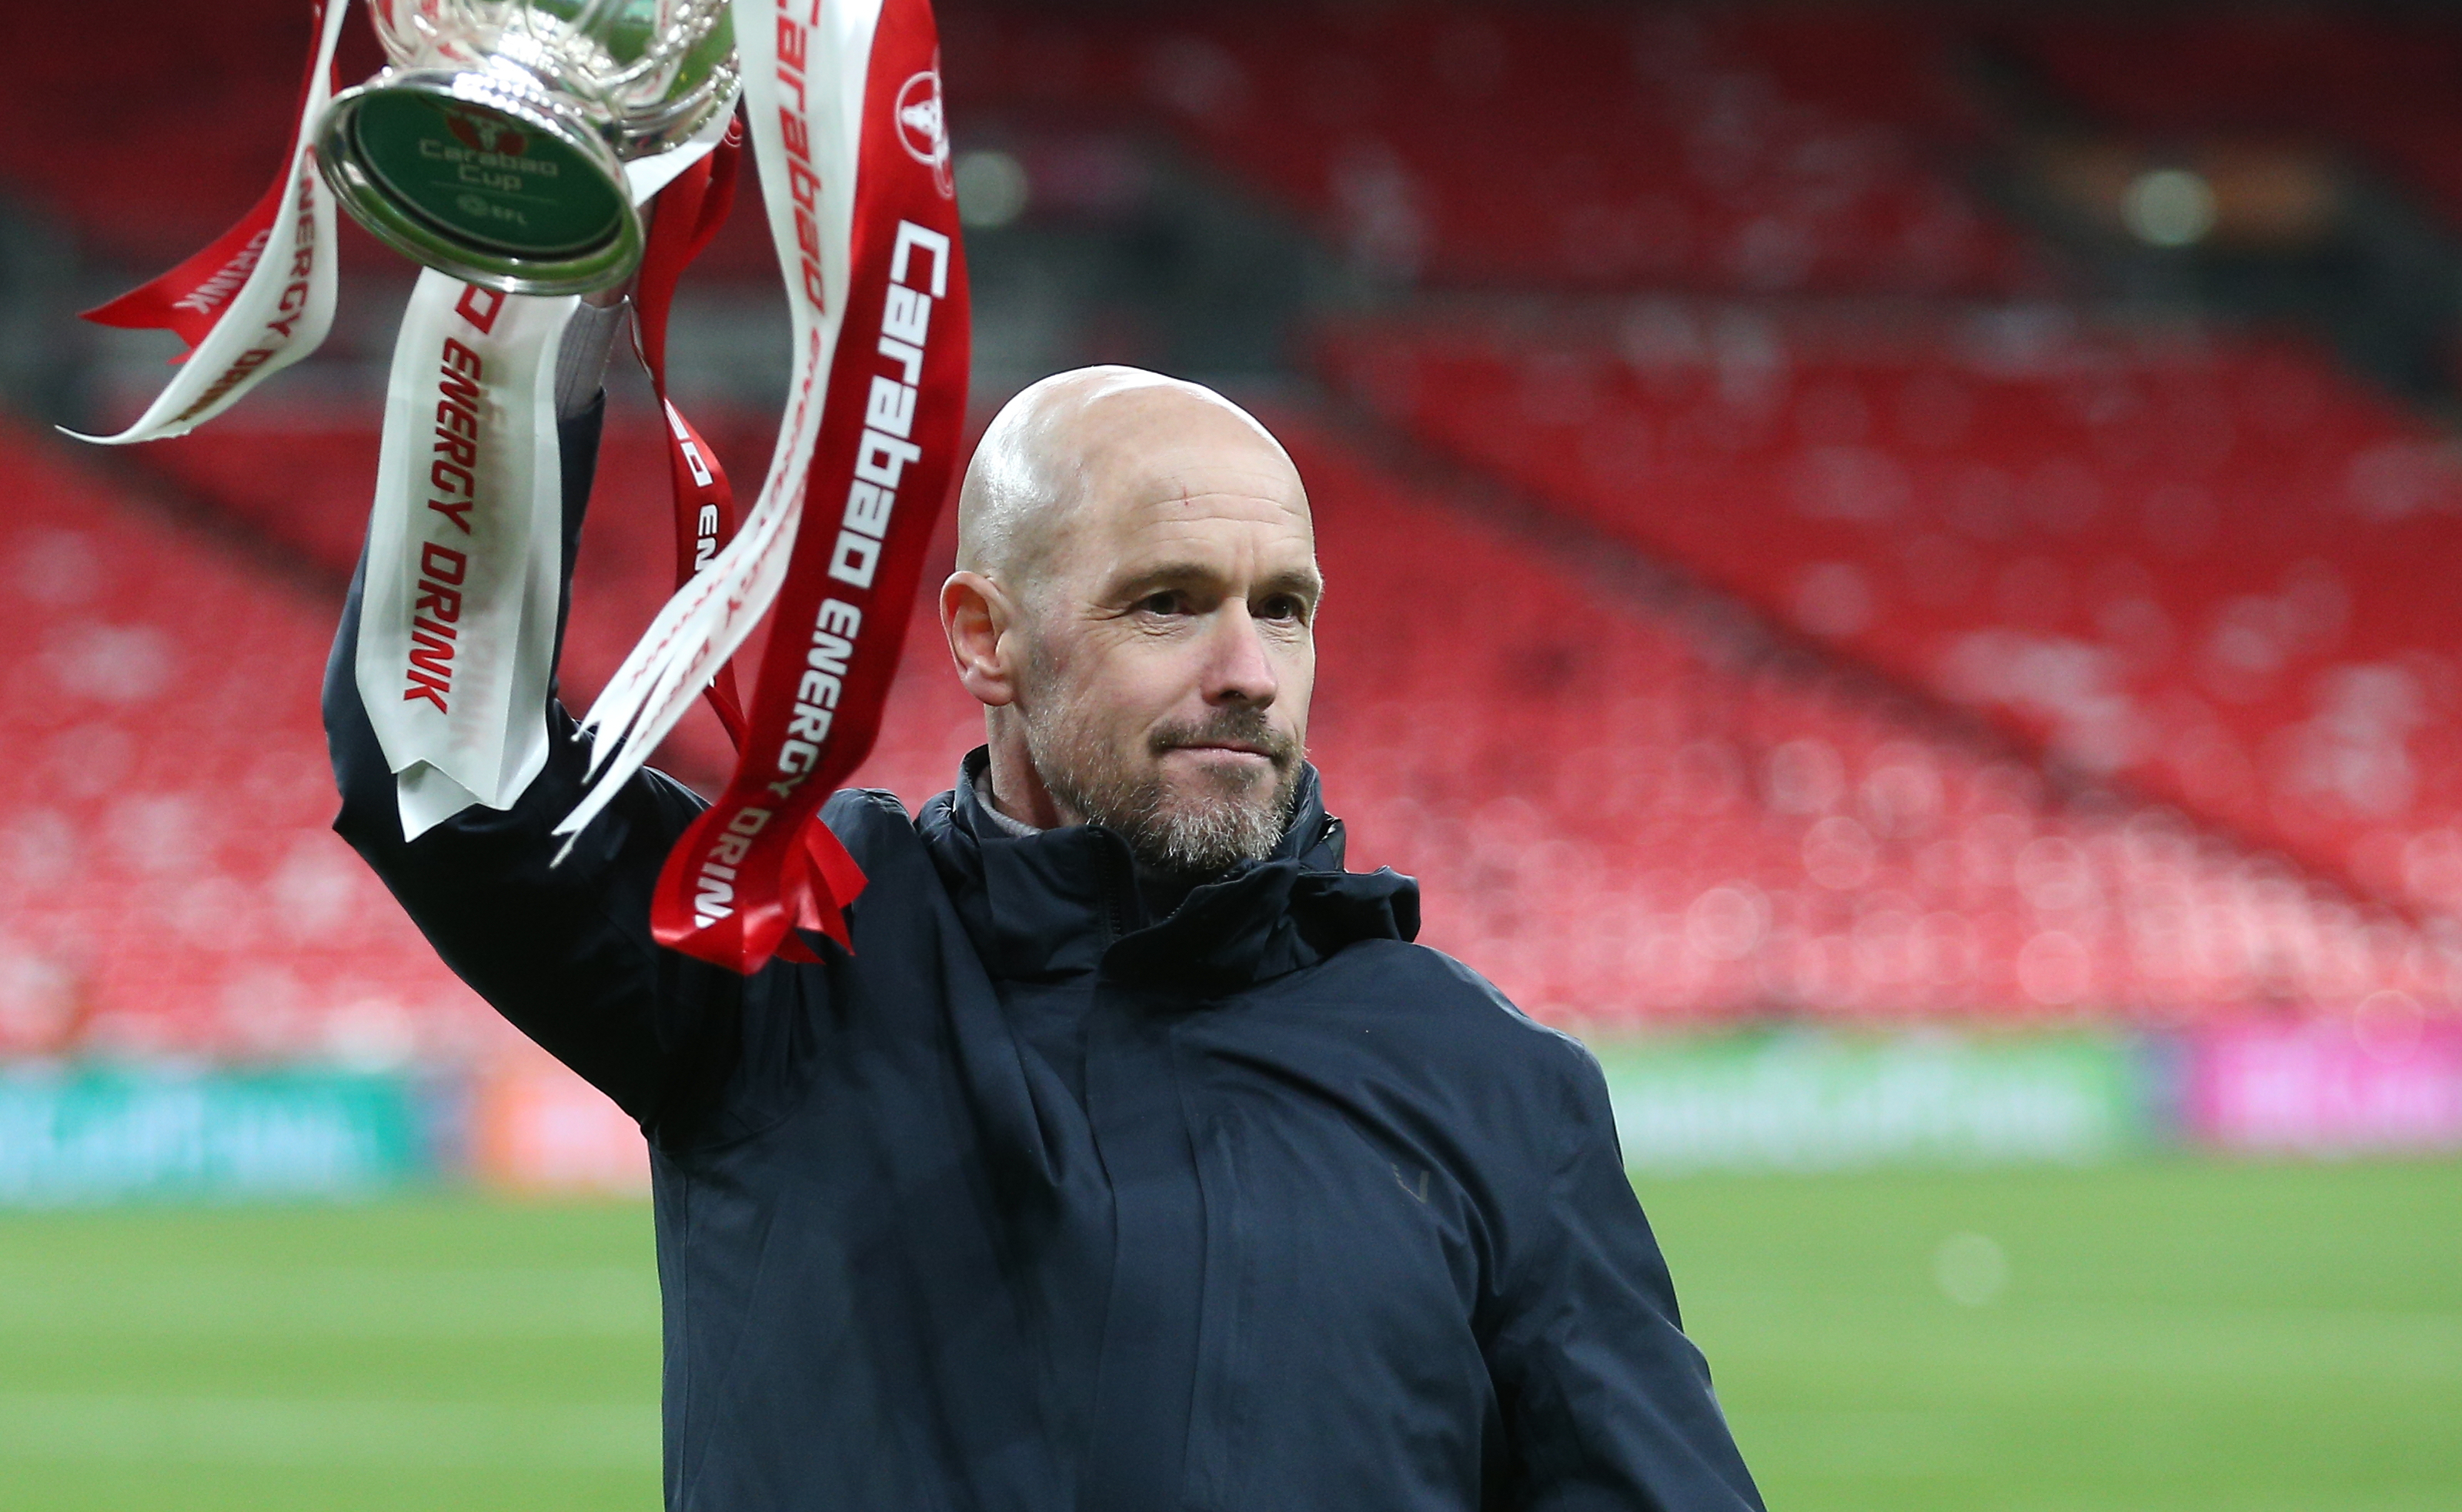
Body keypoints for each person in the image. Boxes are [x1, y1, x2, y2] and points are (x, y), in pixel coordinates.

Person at [325, 311, 1765, 1510]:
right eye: (1168, 602)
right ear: (986, 639)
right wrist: (522, 300)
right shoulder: (793, 955)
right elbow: (445, 766)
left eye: (1285, 605)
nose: (1249, 668)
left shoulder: (1492, 1086)